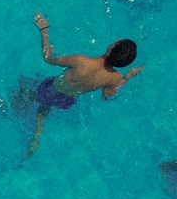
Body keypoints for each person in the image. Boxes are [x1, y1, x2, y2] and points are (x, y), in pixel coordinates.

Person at [24, 13, 140, 159]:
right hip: (68, 101)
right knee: (43, 113)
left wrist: (44, 30)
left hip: (50, 88)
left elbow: (47, 58)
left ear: (111, 48)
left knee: (26, 88)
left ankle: (36, 134)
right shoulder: (114, 77)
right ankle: (37, 134)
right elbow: (107, 96)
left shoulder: (81, 61)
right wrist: (128, 76)